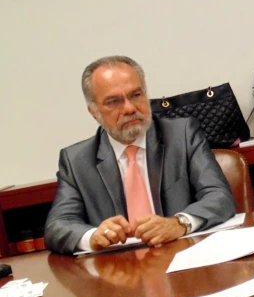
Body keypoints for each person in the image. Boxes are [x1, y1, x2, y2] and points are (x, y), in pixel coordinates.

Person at [44, 56, 236, 255]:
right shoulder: (76, 161)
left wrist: (179, 223)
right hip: (122, 274)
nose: (129, 108)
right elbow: (58, 225)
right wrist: (92, 236)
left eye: (136, 95)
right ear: (93, 111)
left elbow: (219, 196)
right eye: (114, 101)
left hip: (185, 260)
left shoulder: (183, 135)